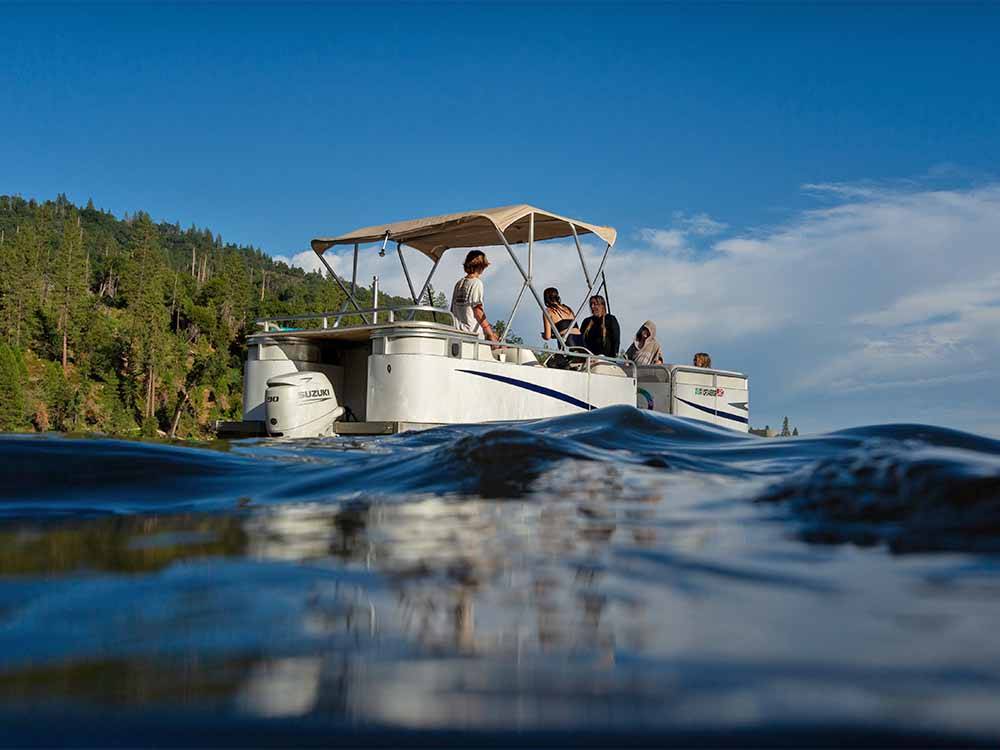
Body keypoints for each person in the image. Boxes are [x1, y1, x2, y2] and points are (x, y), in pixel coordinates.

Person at [450, 250, 498, 342]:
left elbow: (452, 310)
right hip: (472, 335)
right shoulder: (476, 283)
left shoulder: (458, 284)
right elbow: (477, 311)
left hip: (456, 334)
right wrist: (490, 334)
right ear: (481, 266)